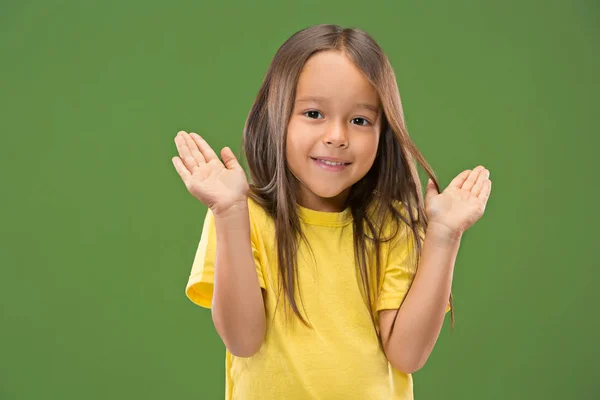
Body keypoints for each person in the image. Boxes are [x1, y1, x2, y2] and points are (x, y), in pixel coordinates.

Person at [172, 24, 492, 400]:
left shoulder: (392, 225)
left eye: (360, 120)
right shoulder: (242, 216)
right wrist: (228, 213)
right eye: (313, 113)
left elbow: (407, 354)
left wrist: (444, 235)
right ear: (275, 118)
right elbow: (242, 340)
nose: (337, 136)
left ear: (383, 132)